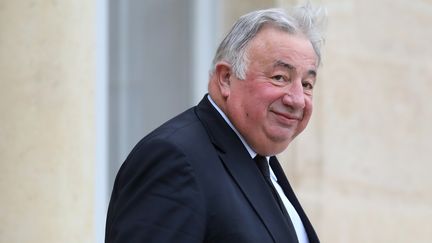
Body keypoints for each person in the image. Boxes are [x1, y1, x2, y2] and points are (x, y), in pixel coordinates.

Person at [105, 4, 326, 243]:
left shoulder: (262, 162)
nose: (297, 100)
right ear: (226, 78)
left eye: (306, 85)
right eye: (279, 78)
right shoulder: (175, 159)